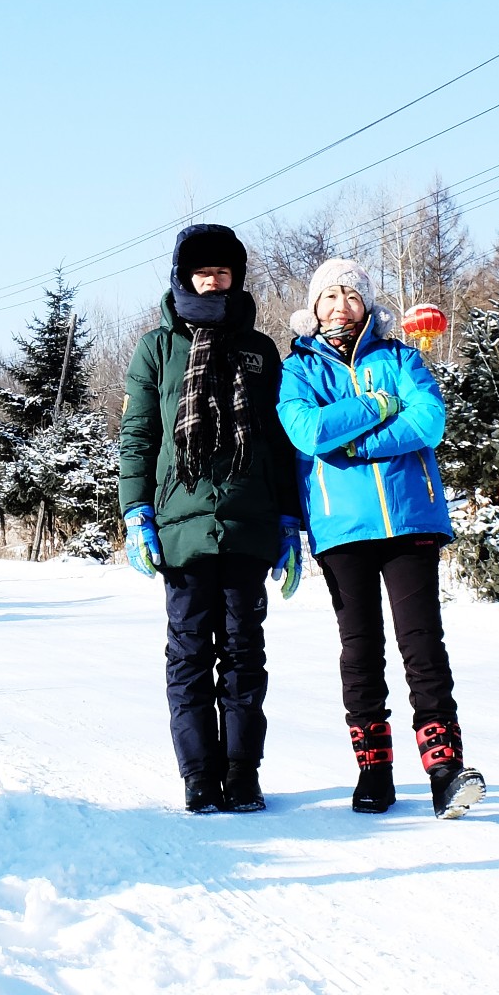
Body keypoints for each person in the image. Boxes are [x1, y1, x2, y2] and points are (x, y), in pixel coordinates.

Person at [277, 258, 486, 820]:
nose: (339, 304)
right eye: (328, 297)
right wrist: (376, 405)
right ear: (313, 309)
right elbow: (308, 431)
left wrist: (358, 445)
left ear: (368, 303)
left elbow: (429, 422)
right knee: (361, 649)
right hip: (339, 528)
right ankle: (374, 770)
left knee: (422, 646)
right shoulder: (298, 370)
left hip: (409, 521)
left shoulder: (401, 357)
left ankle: (445, 771)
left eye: (350, 294)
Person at [119, 224, 302, 814]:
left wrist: (288, 521)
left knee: (246, 655)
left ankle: (242, 774)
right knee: (190, 654)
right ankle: (200, 777)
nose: (213, 279)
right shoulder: (157, 347)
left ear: (236, 278)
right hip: (180, 526)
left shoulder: (259, 349)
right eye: (203, 271)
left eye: (223, 271)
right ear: (183, 276)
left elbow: (278, 442)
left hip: (247, 524)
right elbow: (139, 434)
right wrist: (135, 510)